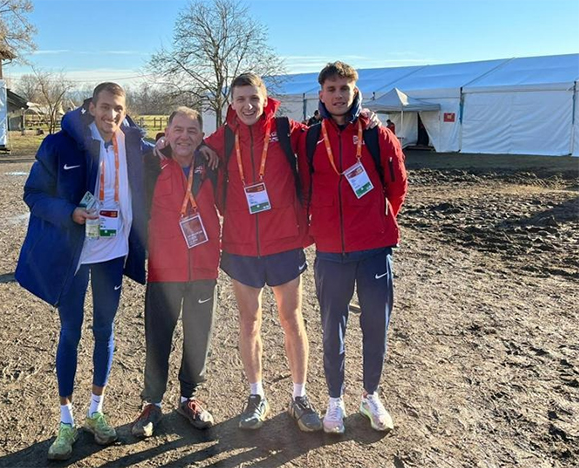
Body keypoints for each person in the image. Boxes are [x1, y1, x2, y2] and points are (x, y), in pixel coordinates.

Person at [14, 82, 153, 461]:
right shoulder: (61, 145)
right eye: (105, 107)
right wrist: (70, 213)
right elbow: (33, 194)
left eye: (118, 109)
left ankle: (96, 411)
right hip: (75, 253)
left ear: (125, 111)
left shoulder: (135, 145)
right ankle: (65, 421)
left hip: (113, 252)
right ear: (92, 107)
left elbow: (173, 152)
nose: (111, 115)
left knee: (105, 331)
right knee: (71, 332)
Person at [203, 73, 323, 432]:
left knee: (291, 319)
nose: (247, 106)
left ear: (265, 98)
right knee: (249, 321)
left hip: (284, 242)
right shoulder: (223, 137)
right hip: (241, 246)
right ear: (232, 103)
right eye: (240, 99)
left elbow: (328, 137)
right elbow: (189, 145)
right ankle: (256, 395)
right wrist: (164, 143)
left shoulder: (287, 131)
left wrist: (367, 119)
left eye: (253, 98)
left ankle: (299, 396)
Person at [298, 62, 407, 434]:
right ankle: (334, 400)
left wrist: (376, 221)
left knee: (376, 324)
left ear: (354, 91)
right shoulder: (310, 138)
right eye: (331, 89)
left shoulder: (378, 134)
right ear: (321, 94)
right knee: (333, 328)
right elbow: (301, 186)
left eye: (344, 88)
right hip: (330, 251)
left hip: (374, 249)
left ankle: (371, 395)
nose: (338, 95)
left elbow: (397, 186)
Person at [131, 107, 220, 438]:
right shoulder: (151, 163)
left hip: (203, 266)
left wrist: (210, 147)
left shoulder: (211, 164)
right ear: (166, 133)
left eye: (192, 131)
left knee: (198, 338)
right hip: (164, 267)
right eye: (178, 130)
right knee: (158, 338)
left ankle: (188, 398)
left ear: (201, 136)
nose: (185, 136)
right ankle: (152, 402)